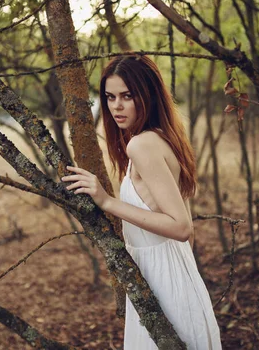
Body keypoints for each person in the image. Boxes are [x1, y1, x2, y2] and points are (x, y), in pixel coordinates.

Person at [61, 55, 222, 349]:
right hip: (173, 278)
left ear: (147, 95)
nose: (116, 106)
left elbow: (182, 227)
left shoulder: (142, 144)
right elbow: (189, 232)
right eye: (110, 97)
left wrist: (106, 201)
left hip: (164, 285)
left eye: (127, 96)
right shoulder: (162, 137)